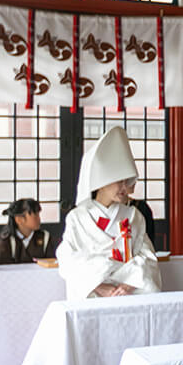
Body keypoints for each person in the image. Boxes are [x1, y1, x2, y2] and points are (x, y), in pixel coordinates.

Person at [56, 126, 161, 299]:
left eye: (126, 181)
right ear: (101, 182)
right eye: (119, 181)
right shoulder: (78, 218)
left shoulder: (134, 216)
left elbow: (147, 256)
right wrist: (98, 286)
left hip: (130, 292)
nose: (124, 187)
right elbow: (68, 258)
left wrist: (128, 285)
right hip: (93, 293)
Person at [0, 198, 58, 264]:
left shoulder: (45, 237)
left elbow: (51, 263)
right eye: (35, 215)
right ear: (19, 219)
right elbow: (3, 268)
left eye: (38, 214)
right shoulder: (7, 240)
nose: (39, 219)